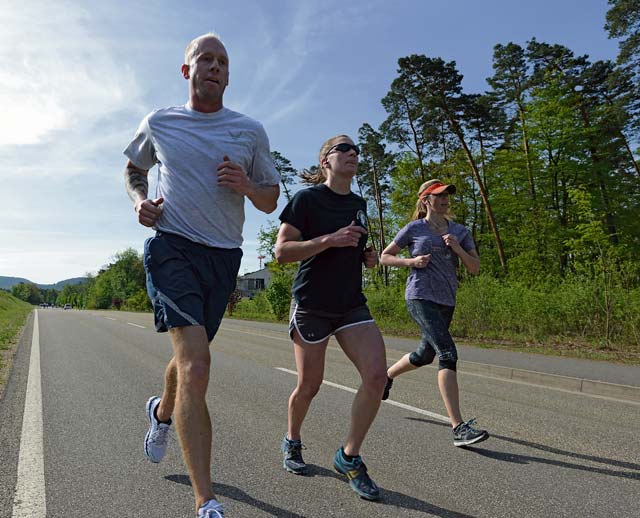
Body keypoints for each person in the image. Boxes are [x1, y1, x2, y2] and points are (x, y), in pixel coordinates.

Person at [123, 33, 280, 518]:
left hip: (222, 258)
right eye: (205, 59)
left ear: (228, 75)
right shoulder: (161, 121)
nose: (214, 67)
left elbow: (272, 197)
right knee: (197, 366)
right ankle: (205, 500)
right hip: (172, 248)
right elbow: (133, 167)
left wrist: (247, 185)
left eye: (223, 62)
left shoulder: (249, 130)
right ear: (187, 70)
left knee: (193, 359)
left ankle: (162, 412)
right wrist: (139, 202)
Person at [274, 135, 387, 501]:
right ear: (326, 160)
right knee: (310, 385)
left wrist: (365, 256)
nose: (353, 153)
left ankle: (349, 457)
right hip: (312, 304)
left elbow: (353, 247)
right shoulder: (307, 200)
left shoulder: (359, 202)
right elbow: (282, 252)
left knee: (376, 377)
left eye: (356, 149)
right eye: (344, 148)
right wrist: (329, 240)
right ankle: (292, 440)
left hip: (350, 304)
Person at [379, 179, 489, 447]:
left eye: (446, 196)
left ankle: (386, 376)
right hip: (419, 296)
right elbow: (384, 256)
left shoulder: (461, 231)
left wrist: (458, 248)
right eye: (438, 196)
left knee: (425, 355)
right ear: (425, 200)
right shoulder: (414, 228)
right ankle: (458, 428)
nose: (444, 200)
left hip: (446, 300)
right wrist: (410, 261)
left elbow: (474, 267)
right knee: (447, 353)